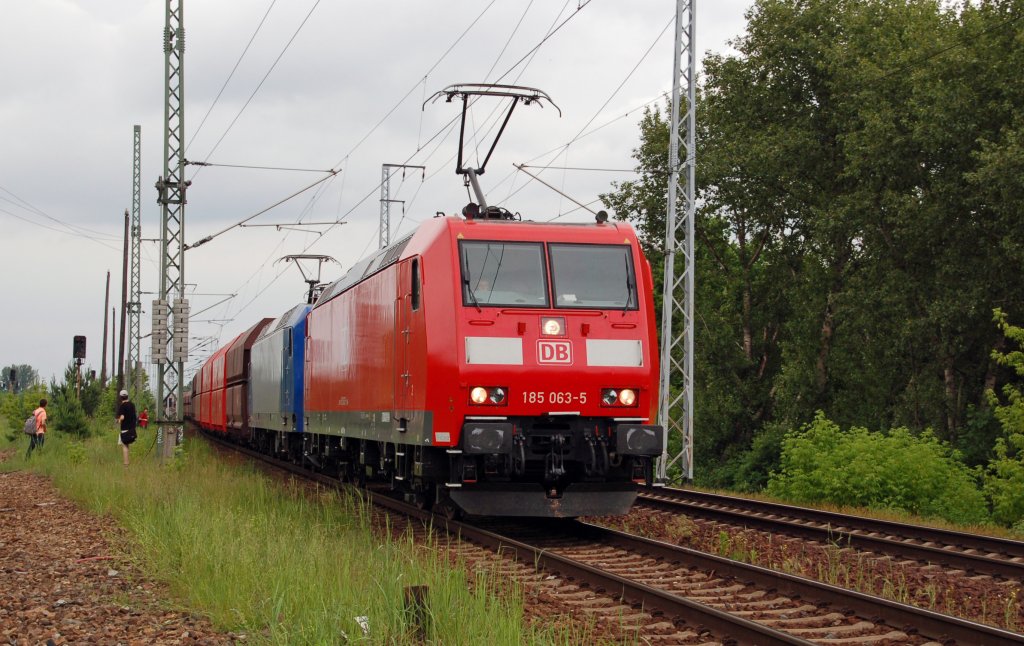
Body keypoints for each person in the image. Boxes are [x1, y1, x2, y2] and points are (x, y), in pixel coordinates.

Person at [116, 390, 138, 466]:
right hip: (132, 429)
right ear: (127, 396)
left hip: (125, 428)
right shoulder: (132, 405)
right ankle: (127, 462)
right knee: (128, 445)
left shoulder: (122, 406)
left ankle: (126, 464)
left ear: (121, 397)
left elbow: (122, 417)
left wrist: (118, 420)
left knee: (124, 446)